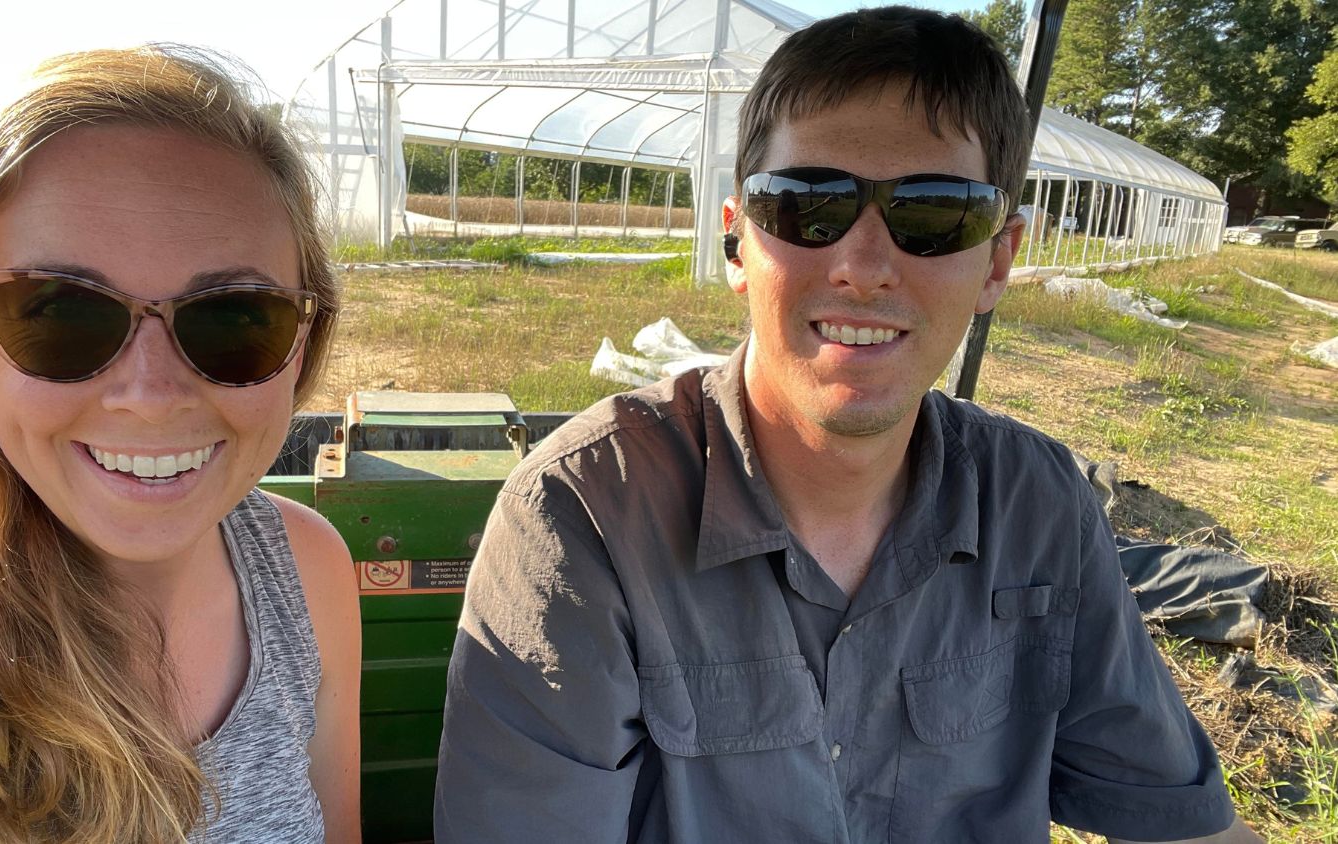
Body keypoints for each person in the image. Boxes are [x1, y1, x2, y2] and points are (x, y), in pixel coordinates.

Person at [434, 8, 1260, 843]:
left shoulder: (1040, 507)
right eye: (807, 205)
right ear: (736, 244)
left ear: (998, 262)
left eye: (935, 215)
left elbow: (1179, 821)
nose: (862, 268)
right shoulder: (586, 516)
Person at [0, 47, 361, 843]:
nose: (150, 397)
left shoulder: (307, 572)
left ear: (303, 342)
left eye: (235, 317)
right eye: (58, 311)